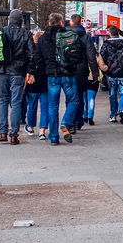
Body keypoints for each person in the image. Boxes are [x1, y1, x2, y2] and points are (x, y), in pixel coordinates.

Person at [35, 13, 82, 145]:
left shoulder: (43, 38)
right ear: (61, 22)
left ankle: (54, 138)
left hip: (52, 76)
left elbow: (37, 58)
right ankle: (66, 122)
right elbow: (79, 54)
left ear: (49, 23)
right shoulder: (69, 36)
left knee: (52, 106)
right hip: (68, 74)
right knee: (74, 100)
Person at [0, 10, 32, 145]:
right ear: (21, 21)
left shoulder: (1, 31)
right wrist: (30, 71)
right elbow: (31, 54)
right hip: (18, 71)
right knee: (16, 102)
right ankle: (14, 134)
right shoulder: (25, 34)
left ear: (9, 19)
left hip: (2, 71)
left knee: (3, 100)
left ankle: (3, 132)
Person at [69, 14, 100, 128]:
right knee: (80, 97)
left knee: (70, 96)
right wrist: (95, 74)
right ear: (80, 23)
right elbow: (91, 56)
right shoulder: (85, 37)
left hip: (67, 70)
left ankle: (70, 121)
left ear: (71, 22)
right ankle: (78, 121)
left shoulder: (63, 35)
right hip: (81, 71)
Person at [99, 25, 123, 124]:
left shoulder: (106, 44)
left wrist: (105, 71)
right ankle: (122, 110)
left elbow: (101, 58)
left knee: (113, 94)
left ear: (110, 34)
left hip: (111, 74)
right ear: (118, 33)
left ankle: (113, 115)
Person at [24, 29, 48, 138]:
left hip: (32, 82)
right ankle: (42, 130)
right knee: (44, 107)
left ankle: (30, 127)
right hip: (44, 82)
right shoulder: (47, 51)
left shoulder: (31, 50)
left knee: (32, 106)